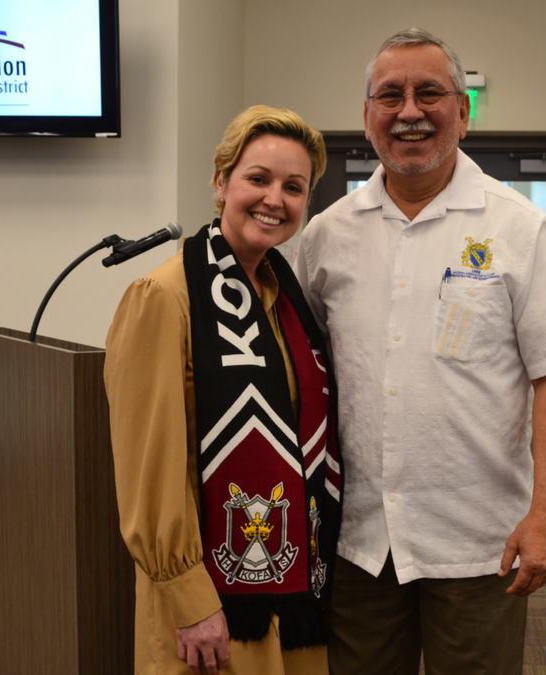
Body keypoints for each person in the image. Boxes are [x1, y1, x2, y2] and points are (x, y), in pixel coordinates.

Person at [292, 29, 546, 675]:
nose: (409, 111)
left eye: (429, 93)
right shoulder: (328, 235)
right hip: (362, 542)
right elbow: (304, 371)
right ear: (368, 116)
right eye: (391, 95)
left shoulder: (517, 225)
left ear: (462, 112)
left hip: (478, 543)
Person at [104, 105, 341, 675]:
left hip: (289, 589)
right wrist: (189, 598)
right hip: (207, 602)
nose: (274, 199)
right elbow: (148, 466)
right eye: (257, 179)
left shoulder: (283, 296)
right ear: (221, 182)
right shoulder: (164, 296)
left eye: (294, 187)